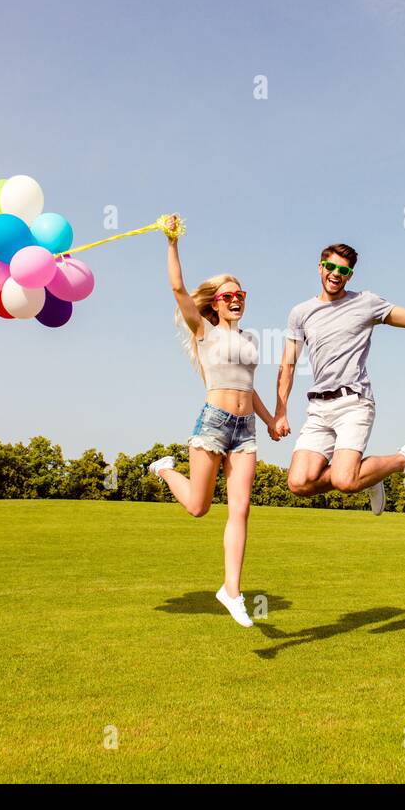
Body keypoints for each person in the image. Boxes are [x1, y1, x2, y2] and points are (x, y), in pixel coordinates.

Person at [147, 231, 282, 628]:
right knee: (198, 507)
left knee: (241, 508)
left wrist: (271, 418)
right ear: (215, 303)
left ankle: (232, 590)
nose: (236, 299)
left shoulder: (251, 339)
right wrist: (172, 242)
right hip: (213, 424)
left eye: (240, 294)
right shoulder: (204, 332)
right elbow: (177, 286)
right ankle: (164, 469)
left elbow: (248, 386)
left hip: (247, 429)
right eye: (227, 296)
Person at [274, 243, 405, 514]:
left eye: (344, 270)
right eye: (331, 267)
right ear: (320, 267)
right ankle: (369, 476)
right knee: (298, 483)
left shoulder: (366, 303)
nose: (336, 274)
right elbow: (287, 363)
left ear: (350, 275)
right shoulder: (301, 313)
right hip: (318, 408)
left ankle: (403, 460)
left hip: (353, 402)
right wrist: (280, 411)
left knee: (344, 479)